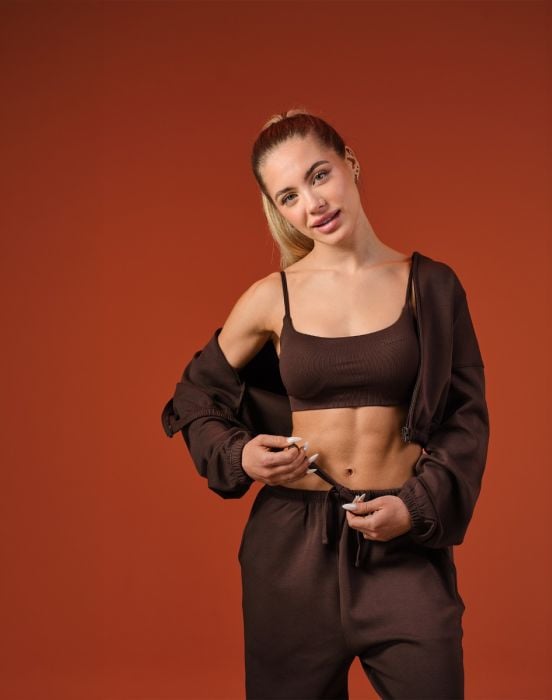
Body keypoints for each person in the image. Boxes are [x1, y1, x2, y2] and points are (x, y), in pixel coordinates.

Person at [161, 108, 490, 700]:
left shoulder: (432, 286)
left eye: (319, 176)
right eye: (288, 196)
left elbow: (466, 419)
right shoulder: (271, 297)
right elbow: (194, 396)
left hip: (401, 543)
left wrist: (415, 508)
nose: (312, 204)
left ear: (350, 164)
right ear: (277, 209)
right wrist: (241, 456)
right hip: (291, 550)